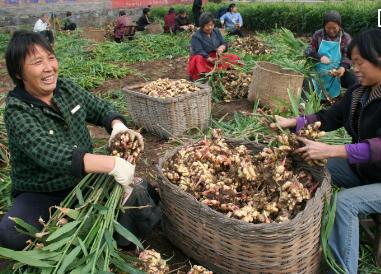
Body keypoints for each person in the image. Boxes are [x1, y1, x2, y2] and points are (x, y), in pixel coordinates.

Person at [0, 31, 160, 250]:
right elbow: (49, 153)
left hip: (85, 180)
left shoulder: (66, 89)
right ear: (19, 73)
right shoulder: (16, 110)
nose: (49, 67)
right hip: (42, 191)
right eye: (38, 62)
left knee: (147, 193)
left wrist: (117, 125)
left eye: (51, 58)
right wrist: (110, 164)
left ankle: (105, 234)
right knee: (11, 234)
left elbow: (101, 108)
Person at [272, 28, 381, 274]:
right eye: (353, 63)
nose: (355, 69)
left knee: (344, 204)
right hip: (365, 170)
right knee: (307, 161)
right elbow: (328, 117)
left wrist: (332, 150)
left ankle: (342, 271)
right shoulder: (359, 92)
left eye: (360, 63)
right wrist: (293, 122)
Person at [305, 10, 357, 99]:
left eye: (334, 28)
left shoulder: (345, 38)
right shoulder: (318, 35)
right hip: (319, 72)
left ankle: (348, 102)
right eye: (328, 28)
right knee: (305, 80)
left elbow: (348, 57)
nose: (331, 31)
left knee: (355, 81)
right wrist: (319, 57)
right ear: (324, 26)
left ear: (339, 26)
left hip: (336, 72)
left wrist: (342, 68)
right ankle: (308, 100)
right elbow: (308, 51)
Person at [187, 12, 240, 81]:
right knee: (197, 59)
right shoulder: (196, 36)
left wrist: (222, 47)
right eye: (207, 25)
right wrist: (209, 59)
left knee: (233, 57)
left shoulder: (216, 31)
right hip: (205, 59)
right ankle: (205, 75)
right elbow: (199, 50)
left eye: (212, 25)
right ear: (202, 25)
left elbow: (224, 43)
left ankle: (222, 71)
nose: (210, 27)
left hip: (216, 57)